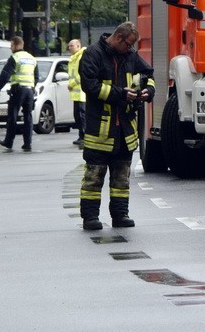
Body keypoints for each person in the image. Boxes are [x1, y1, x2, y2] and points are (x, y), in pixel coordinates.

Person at [78, 22, 155, 230]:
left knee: (121, 179)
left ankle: (120, 215)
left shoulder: (130, 56)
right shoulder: (92, 54)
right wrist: (120, 93)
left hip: (124, 132)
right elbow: (90, 85)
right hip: (100, 131)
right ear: (119, 37)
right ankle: (90, 218)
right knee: (93, 178)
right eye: (128, 44)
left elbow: (148, 75)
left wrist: (149, 91)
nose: (130, 49)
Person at [0, 36, 36, 152]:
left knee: (12, 116)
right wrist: (33, 88)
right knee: (28, 117)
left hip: (18, 91)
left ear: (17, 45)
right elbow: (36, 76)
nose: (10, 48)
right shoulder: (32, 58)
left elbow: (5, 74)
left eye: (11, 46)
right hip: (29, 91)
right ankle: (28, 143)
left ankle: (9, 141)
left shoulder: (15, 58)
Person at [66, 39, 86, 147]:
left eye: (72, 46)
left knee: (82, 115)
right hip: (76, 93)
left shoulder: (81, 56)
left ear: (78, 46)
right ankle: (81, 134)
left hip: (81, 92)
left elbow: (80, 74)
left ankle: (84, 136)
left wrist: (72, 84)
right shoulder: (74, 58)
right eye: (69, 46)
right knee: (77, 115)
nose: (69, 48)